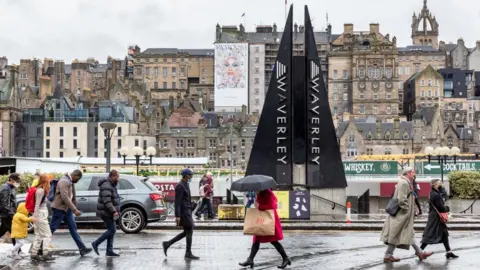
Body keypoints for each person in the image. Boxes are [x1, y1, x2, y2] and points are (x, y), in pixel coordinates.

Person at [380, 167, 433, 263]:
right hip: (401, 215)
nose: (414, 173)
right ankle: (388, 255)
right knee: (395, 234)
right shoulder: (403, 183)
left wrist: (413, 211)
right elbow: (402, 199)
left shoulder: (406, 182)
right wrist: (407, 210)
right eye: (413, 172)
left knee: (409, 233)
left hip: (404, 215)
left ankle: (420, 253)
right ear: (408, 173)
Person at [239, 189, 291, 269]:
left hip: (269, 220)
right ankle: (250, 259)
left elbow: (272, 206)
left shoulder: (268, 193)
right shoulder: (259, 192)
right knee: (256, 240)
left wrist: (259, 206)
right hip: (262, 220)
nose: (254, 189)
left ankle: (285, 258)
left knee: (273, 241)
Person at [50, 170, 92, 256]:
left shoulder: (70, 181)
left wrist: (73, 208)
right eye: (78, 179)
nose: (78, 181)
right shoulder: (64, 181)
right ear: (75, 176)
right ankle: (39, 247)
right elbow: (64, 197)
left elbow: (72, 196)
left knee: (73, 229)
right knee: (52, 228)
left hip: (67, 209)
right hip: (59, 208)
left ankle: (82, 248)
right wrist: (74, 209)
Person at [162, 168, 199, 260]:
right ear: (186, 176)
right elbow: (177, 202)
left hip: (187, 211)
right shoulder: (180, 186)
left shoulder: (186, 184)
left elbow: (185, 199)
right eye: (191, 175)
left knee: (187, 231)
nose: (192, 177)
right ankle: (188, 252)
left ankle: (167, 244)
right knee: (189, 230)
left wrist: (191, 205)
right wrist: (177, 216)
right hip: (184, 212)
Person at [420, 179, 458, 259]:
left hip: (434, 216)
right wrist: (447, 208)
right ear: (434, 184)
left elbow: (443, 196)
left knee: (444, 234)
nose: (440, 184)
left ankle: (449, 252)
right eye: (438, 183)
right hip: (436, 217)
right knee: (430, 234)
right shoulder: (436, 195)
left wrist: (442, 190)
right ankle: (419, 251)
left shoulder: (432, 193)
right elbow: (440, 207)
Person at [91, 170, 121, 257]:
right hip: (106, 212)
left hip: (109, 212)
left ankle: (109, 250)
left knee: (111, 230)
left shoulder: (111, 184)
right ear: (112, 176)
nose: (118, 179)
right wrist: (114, 211)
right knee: (112, 230)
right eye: (117, 177)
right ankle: (96, 243)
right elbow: (107, 201)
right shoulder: (106, 185)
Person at [30, 174, 55, 261]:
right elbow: (37, 205)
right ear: (45, 180)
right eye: (49, 180)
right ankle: (45, 253)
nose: (50, 182)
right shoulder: (40, 190)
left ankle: (34, 253)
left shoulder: (40, 189)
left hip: (39, 215)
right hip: (40, 215)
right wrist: (35, 217)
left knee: (39, 235)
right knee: (47, 235)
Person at [0, 173, 22, 253]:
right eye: (17, 181)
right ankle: (17, 251)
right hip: (6, 214)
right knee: (14, 232)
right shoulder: (5, 188)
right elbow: (4, 203)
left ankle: (18, 250)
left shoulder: (11, 188)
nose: (18, 183)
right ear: (11, 180)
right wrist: (12, 214)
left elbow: (12, 201)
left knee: (3, 230)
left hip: (9, 213)